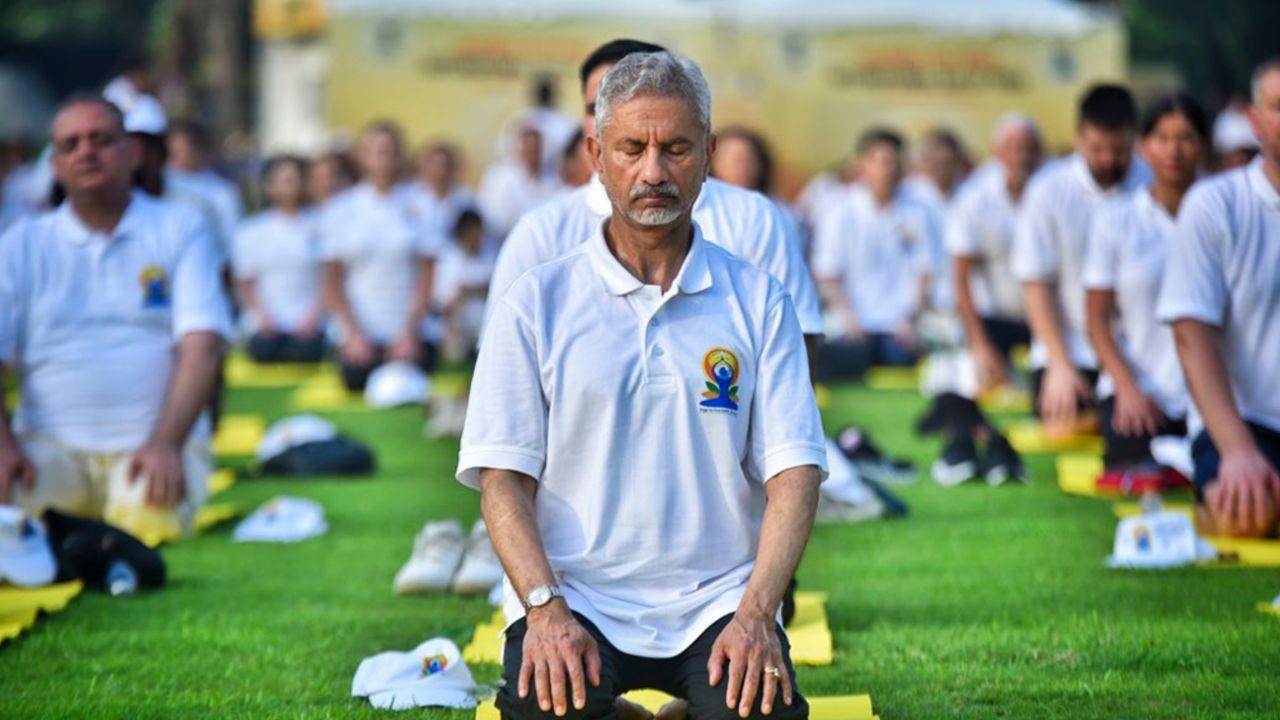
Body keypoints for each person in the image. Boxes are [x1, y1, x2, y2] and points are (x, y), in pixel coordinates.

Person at [459, 50, 824, 720]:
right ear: (597, 154)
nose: (654, 172)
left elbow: (795, 473)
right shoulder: (536, 300)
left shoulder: (758, 299)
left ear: (709, 155)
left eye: (677, 148)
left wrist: (757, 614)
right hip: (578, 600)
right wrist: (544, 610)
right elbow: (501, 478)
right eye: (632, 148)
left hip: (719, 602)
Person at [483, 39, 823, 358]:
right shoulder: (541, 234)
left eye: (674, 147)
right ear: (595, 147)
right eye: (598, 106)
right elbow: (505, 361)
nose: (653, 173)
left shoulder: (752, 220)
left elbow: (794, 350)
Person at [0, 95, 230, 536]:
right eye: (71, 145)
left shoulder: (181, 226)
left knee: (149, 527)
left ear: (133, 154)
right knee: (15, 529)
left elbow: (202, 345)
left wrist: (166, 445)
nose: (86, 152)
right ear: (55, 164)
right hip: (47, 448)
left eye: (101, 140)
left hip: (152, 446)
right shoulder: (21, 245)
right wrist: (5, 448)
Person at [1157, 58, 1280, 538]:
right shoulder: (1215, 204)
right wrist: (1238, 449)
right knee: (1247, 517)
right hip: (1246, 419)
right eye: (1278, 107)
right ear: (1254, 121)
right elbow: (1191, 334)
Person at [1082, 94, 1209, 487]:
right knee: (1140, 476)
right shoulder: (1116, 219)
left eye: (1186, 138)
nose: (1174, 150)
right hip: (1140, 392)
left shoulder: (1224, 214)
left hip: (1209, 397)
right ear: (1144, 147)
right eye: (1162, 138)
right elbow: (1097, 321)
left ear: (1203, 145)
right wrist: (1127, 387)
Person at [1013, 83, 1146, 430]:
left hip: (1141, 347)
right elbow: (1036, 284)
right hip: (1073, 345)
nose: (1107, 160)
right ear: (1078, 137)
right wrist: (1059, 363)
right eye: (1097, 148)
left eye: (1118, 150)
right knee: (1063, 426)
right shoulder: (1047, 191)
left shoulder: (1153, 184)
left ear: (1135, 138)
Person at [925, 114, 1043, 485]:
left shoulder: (1054, 190)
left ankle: (984, 441)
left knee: (1053, 412)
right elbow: (959, 278)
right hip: (997, 318)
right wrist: (980, 344)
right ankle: (972, 437)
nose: (1020, 156)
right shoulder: (975, 196)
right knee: (959, 371)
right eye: (1012, 148)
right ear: (996, 153)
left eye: (1027, 148)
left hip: (1050, 321)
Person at [320, 120, 440, 392]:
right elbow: (331, 281)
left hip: (407, 327)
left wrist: (409, 332)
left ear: (400, 156)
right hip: (359, 328)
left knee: (408, 377)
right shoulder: (341, 208)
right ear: (362, 156)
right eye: (375, 150)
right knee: (356, 376)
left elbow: (427, 274)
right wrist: (352, 334)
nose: (382, 158)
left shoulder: (422, 203)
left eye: (389, 150)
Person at [812, 128, 935, 373]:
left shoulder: (918, 211)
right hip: (850, 324)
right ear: (862, 165)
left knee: (907, 356)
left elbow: (926, 273)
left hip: (901, 328)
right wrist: (850, 319)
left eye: (895, 162)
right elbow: (828, 274)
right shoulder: (839, 211)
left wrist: (909, 320)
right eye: (881, 161)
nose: (888, 169)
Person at [232, 155, 326, 363]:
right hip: (267, 325)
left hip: (310, 324)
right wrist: (262, 317)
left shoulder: (321, 225)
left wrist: (312, 318)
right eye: (284, 180)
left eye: (295, 179)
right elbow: (246, 283)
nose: (291, 186)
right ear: (269, 186)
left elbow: (328, 278)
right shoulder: (251, 231)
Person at [166, 120, 244, 260]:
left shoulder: (222, 191)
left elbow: (232, 237)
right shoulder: (155, 183)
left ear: (198, 149)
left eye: (182, 149)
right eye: (172, 151)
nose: (177, 156)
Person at [434, 209, 496, 362]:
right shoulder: (449, 259)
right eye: (472, 233)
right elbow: (445, 301)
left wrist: (469, 290)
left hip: (486, 330)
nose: (476, 237)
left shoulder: (491, 254)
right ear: (462, 234)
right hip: (456, 331)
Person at [477, 126, 559, 239]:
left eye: (535, 149)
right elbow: (492, 219)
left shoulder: (551, 180)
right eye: (528, 148)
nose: (532, 153)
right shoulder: (499, 177)